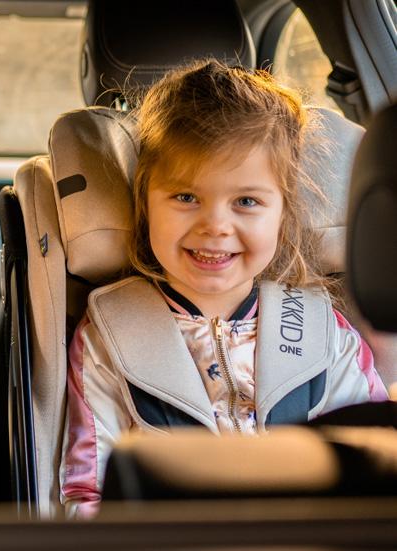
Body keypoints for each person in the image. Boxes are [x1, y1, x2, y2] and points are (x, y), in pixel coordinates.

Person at [59, 60, 389, 518]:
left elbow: (375, 468)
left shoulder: (323, 333)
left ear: (283, 213)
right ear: (146, 203)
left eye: (246, 201)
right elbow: (87, 493)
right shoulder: (110, 337)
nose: (215, 225)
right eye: (186, 197)